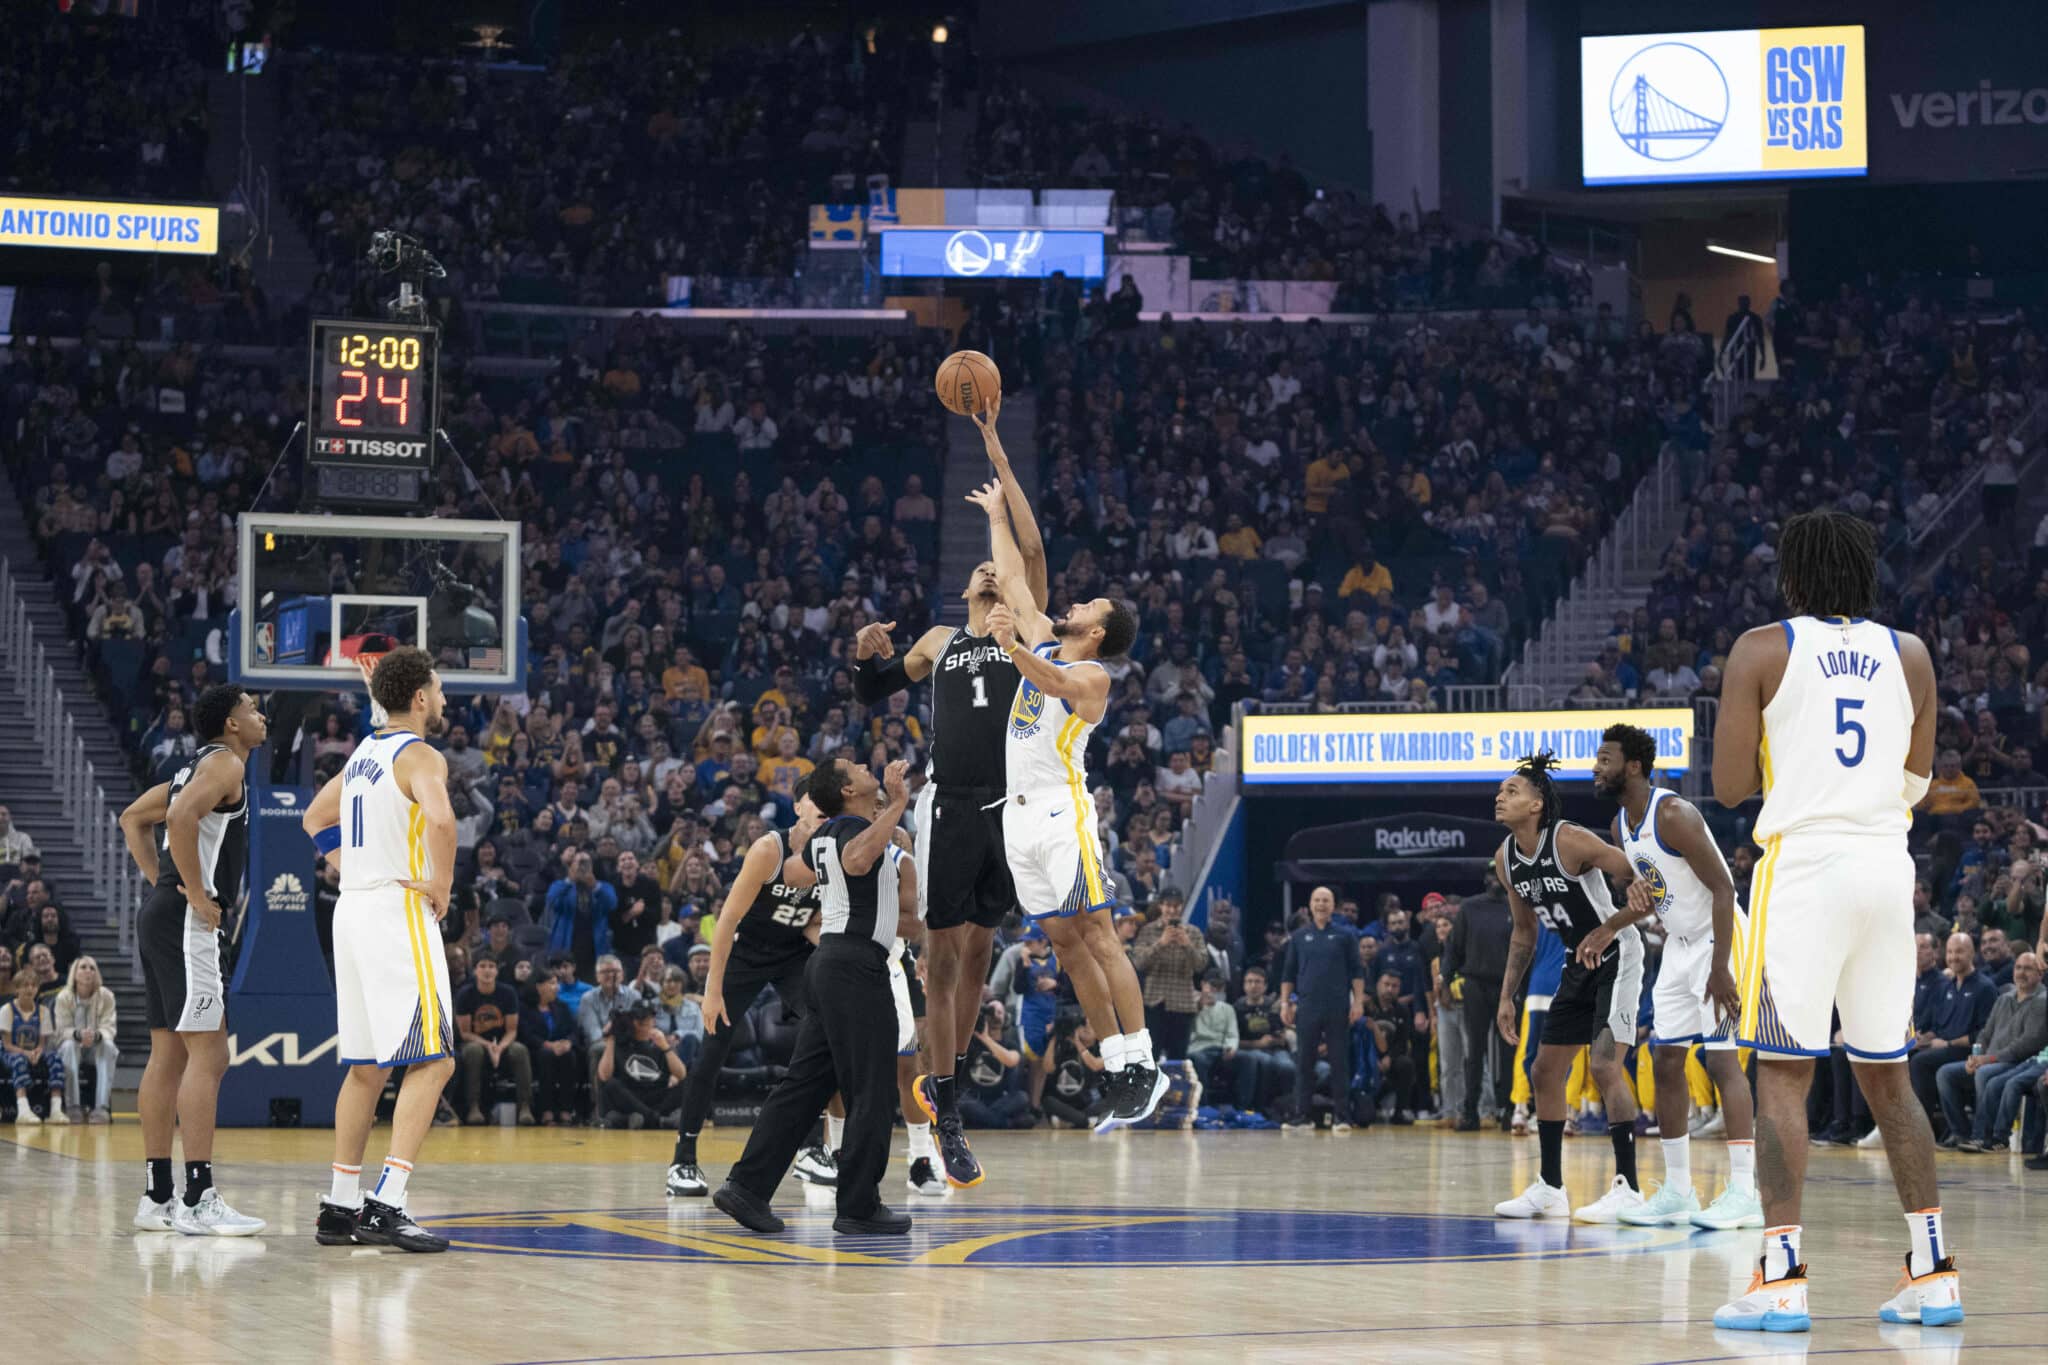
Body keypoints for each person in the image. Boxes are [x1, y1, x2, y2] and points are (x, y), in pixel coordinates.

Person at [1708, 509, 1961, 1331]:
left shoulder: (1761, 647)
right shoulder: (1911, 654)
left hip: (1806, 870)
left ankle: (1780, 1275)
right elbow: (1917, 781)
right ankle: (1934, 1273)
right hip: (1889, 869)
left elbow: (1731, 786)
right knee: (1889, 1071)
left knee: (1782, 1072)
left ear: (1794, 576)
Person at [856, 398, 1049, 1190]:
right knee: (941, 953)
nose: (986, 569)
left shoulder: (1024, 624)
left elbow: (1029, 545)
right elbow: (873, 689)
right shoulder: (939, 640)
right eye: (981, 570)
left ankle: (950, 1087)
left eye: (994, 567)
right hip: (948, 801)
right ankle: (946, 1103)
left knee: (978, 951)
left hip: (1010, 804)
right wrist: (864, 653)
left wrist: (998, 457)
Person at [967, 474, 1158, 1132]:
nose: (1073, 604)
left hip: (1059, 809)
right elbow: (1015, 581)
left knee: (1101, 938)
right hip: (1015, 814)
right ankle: (1116, 1063)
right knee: (1066, 945)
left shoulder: (1092, 674)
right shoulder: (1045, 637)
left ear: (1099, 633)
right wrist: (996, 513)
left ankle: (1145, 1060)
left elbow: (1045, 676)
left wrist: (1008, 646)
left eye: (1088, 606)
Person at [712, 758, 922, 1238]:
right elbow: (857, 860)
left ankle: (747, 1186)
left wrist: (876, 833)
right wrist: (899, 806)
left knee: (803, 1084)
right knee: (871, 1087)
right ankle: (859, 1205)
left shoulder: (829, 832)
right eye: (854, 766)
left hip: (827, 961)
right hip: (855, 967)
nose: (865, 765)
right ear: (849, 790)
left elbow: (792, 871)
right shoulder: (851, 830)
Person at [301, 647, 460, 1253]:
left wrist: (353, 869)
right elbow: (442, 823)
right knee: (435, 1059)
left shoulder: (365, 752)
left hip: (354, 911)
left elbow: (314, 819)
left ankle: (339, 1207)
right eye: (439, 689)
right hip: (398, 913)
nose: (443, 699)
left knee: (367, 1067)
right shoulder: (420, 755)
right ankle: (387, 1203)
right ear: (419, 698)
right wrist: (441, 883)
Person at [1596, 724, 1763, 1232]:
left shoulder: (1672, 813)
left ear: (1634, 766)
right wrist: (1627, 909)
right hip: (1680, 943)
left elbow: (1724, 887)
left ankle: (1744, 1193)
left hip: (1719, 938)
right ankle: (1678, 1192)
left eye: (1606, 759)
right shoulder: (1620, 825)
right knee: (1665, 1058)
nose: (1596, 767)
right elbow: (1654, 888)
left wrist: (1719, 968)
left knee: (1721, 1061)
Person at [118, 683, 266, 1234]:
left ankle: (158, 1197)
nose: (260, 715)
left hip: (161, 915)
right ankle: (198, 1198)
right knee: (210, 1055)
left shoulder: (192, 767)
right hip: (185, 922)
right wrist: (196, 893)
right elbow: (179, 818)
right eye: (251, 709)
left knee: (169, 1055)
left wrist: (162, 883)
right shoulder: (227, 766)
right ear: (230, 723)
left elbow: (133, 818)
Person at [1491, 752, 1651, 1225]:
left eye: (1512, 791)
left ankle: (1629, 1188)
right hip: (1575, 963)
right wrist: (1506, 996)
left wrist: (1610, 927)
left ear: (1538, 803)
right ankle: (1550, 1189)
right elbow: (1523, 934)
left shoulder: (1570, 840)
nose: (1500, 798)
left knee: (1603, 1064)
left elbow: (1644, 884)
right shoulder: (1506, 859)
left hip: (1618, 953)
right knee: (1544, 1071)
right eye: (1500, 792)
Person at [666, 794, 839, 1198]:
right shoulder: (769, 850)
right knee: (713, 1047)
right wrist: (712, 990)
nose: (826, 814)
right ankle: (683, 1159)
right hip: (745, 953)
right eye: (819, 804)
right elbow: (726, 920)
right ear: (798, 806)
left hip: (793, 952)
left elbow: (812, 921)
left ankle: (813, 1148)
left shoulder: (831, 855)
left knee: (826, 1032)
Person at [1940, 951, 2046, 1151]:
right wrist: (1976, 1055)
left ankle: (1982, 1136)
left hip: (2016, 1062)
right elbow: (1985, 1033)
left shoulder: (2042, 1001)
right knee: (1945, 1074)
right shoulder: (2004, 998)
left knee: (1985, 1074)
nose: (2021, 973)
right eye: (2018, 968)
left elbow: (2027, 1044)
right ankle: (1961, 1133)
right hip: (1989, 1059)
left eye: (2028, 969)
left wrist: (1988, 1059)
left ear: (2040, 974)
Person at [1279, 887, 1365, 1129]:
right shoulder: (1299, 937)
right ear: (1310, 904)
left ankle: (1342, 1116)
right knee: (1305, 1062)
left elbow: (1357, 972)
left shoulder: (1345, 936)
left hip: (1338, 1006)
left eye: (1326, 900)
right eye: (1317, 900)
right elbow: (1288, 973)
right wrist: (1286, 1003)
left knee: (1340, 1061)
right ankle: (1301, 1116)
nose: (1321, 904)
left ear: (1333, 905)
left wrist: (1357, 1002)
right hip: (1307, 1006)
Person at [1442, 871, 1514, 1131]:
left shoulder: (1517, 905)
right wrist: (1445, 981)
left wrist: (1522, 990)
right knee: (1474, 1050)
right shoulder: (1469, 907)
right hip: (1475, 984)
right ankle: (1470, 1111)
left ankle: (1509, 1110)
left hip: (1508, 986)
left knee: (1509, 1049)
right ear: (1484, 879)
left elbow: (1526, 948)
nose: (1496, 879)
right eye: (1491, 874)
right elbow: (1454, 947)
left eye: (1501, 875)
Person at [454, 957, 534, 1126]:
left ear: (497, 971)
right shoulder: (465, 994)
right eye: (482, 966)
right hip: (475, 1043)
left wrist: (499, 1048)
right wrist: (488, 1045)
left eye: (491, 966)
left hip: (503, 1043)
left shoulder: (508, 992)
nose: (487, 970)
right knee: (473, 1051)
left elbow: (512, 1030)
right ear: (475, 971)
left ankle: (525, 1107)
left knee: (519, 1050)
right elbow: (465, 1033)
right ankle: (473, 1107)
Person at [1133, 890, 1211, 1061]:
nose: (1172, 910)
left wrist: (1187, 945)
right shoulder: (1148, 931)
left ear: (1181, 907)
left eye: (1176, 906)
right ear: (1161, 906)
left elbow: (1201, 965)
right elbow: (1139, 963)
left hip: (1183, 1004)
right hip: (1154, 1002)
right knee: (1150, 1057)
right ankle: (1153, 1088)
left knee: (1178, 1059)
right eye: (1168, 905)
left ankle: (1176, 1088)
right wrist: (1161, 943)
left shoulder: (1193, 932)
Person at [597, 1002, 687, 1128]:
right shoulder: (620, 1043)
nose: (643, 1022)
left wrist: (665, 1046)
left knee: (688, 1083)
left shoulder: (660, 1043)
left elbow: (681, 1074)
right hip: (631, 1097)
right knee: (611, 1085)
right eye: (639, 1019)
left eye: (648, 1018)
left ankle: (636, 1119)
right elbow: (604, 1076)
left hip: (656, 1096)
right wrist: (611, 1038)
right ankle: (659, 1121)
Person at [53, 955, 118, 1123]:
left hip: (96, 1047)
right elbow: (61, 1030)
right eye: (83, 967)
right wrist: (78, 1035)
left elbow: (109, 1027)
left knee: (109, 1046)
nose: (88, 971)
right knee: (68, 1046)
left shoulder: (107, 996)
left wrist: (95, 1036)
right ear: (74, 973)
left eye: (92, 968)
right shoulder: (63, 997)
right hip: (72, 1046)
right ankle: (72, 1106)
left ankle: (101, 1108)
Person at [1231, 966, 1296, 1115]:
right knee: (1265, 1062)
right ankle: (1260, 1108)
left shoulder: (1274, 1006)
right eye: (1249, 981)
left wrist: (1281, 1037)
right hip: (1250, 1049)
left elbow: (1284, 1030)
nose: (1253, 985)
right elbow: (1233, 1041)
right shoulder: (1236, 1008)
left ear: (1265, 986)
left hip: (1276, 1049)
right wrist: (1258, 1044)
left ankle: (1288, 1109)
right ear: (1244, 985)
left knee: (1288, 1068)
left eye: (1258, 982)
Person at [519, 968, 580, 1125]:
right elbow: (525, 1034)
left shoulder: (561, 1006)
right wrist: (547, 1045)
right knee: (546, 1056)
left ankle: (566, 1109)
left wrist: (568, 1042)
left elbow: (574, 1031)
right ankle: (546, 1110)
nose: (557, 987)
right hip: (535, 1050)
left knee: (569, 1055)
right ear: (539, 986)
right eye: (552, 983)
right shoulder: (524, 1007)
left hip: (560, 1048)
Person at [2, 968, 63, 1124]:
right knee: (19, 1061)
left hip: (33, 1051)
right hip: (11, 1052)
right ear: (17, 989)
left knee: (55, 1058)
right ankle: (23, 1110)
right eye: (25, 985)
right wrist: (26, 1053)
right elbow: (7, 1044)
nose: (30, 989)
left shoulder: (43, 1011)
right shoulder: (7, 1010)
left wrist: (37, 1052)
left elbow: (42, 1043)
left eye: (33, 985)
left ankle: (56, 1110)